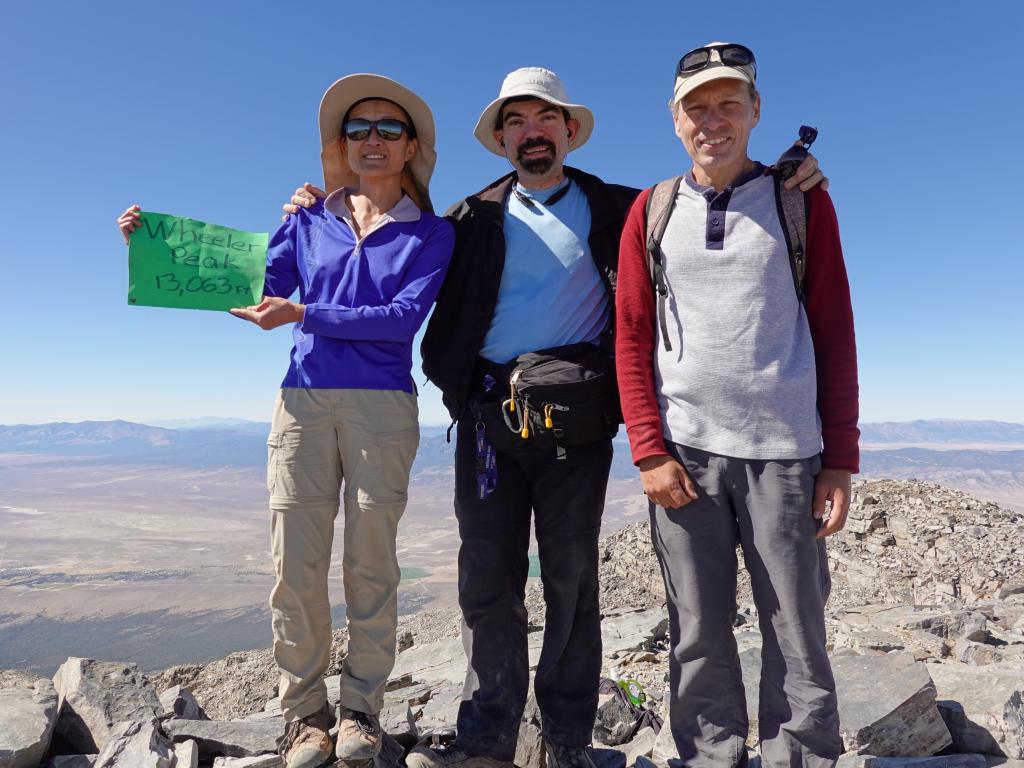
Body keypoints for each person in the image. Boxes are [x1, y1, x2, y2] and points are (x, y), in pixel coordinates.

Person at [283, 66, 825, 768]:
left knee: (571, 582)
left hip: (578, 426)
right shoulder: (469, 219)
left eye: (545, 119)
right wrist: (319, 199)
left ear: (569, 131)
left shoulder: (625, 209)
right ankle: (488, 738)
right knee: (487, 582)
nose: (530, 133)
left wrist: (792, 176)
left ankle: (565, 738)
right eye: (515, 122)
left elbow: (709, 186)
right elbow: (386, 258)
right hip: (487, 424)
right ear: (501, 140)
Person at [118, 73, 454, 768]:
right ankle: (305, 716)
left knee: (371, 565)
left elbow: (400, 323)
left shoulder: (433, 234)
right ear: (341, 143)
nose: (371, 140)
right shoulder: (306, 219)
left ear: (411, 146)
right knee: (294, 567)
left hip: (382, 407)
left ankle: (362, 712)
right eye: (358, 129)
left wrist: (305, 314)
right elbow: (256, 286)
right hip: (301, 402)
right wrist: (156, 249)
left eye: (388, 129)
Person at [615, 43, 858, 768]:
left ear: (755, 111)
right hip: (685, 452)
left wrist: (839, 458)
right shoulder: (650, 210)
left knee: (797, 630)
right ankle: (709, 757)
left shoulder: (800, 200)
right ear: (674, 119)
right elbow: (628, 335)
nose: (712, 119)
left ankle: (801, 757)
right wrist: (648, 449)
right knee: (695, 627)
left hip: (785, 453)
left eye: (729, 103)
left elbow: (834, 328)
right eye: (697, 105)